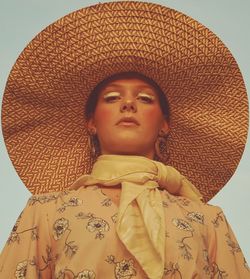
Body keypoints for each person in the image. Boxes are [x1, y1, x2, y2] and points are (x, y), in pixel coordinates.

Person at [0, 1, 249, 278]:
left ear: (164, 124)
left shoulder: (208, 220)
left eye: (144, 99)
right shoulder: (45, 212)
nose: (128, 104)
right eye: (112, 98)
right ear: (91, 122)